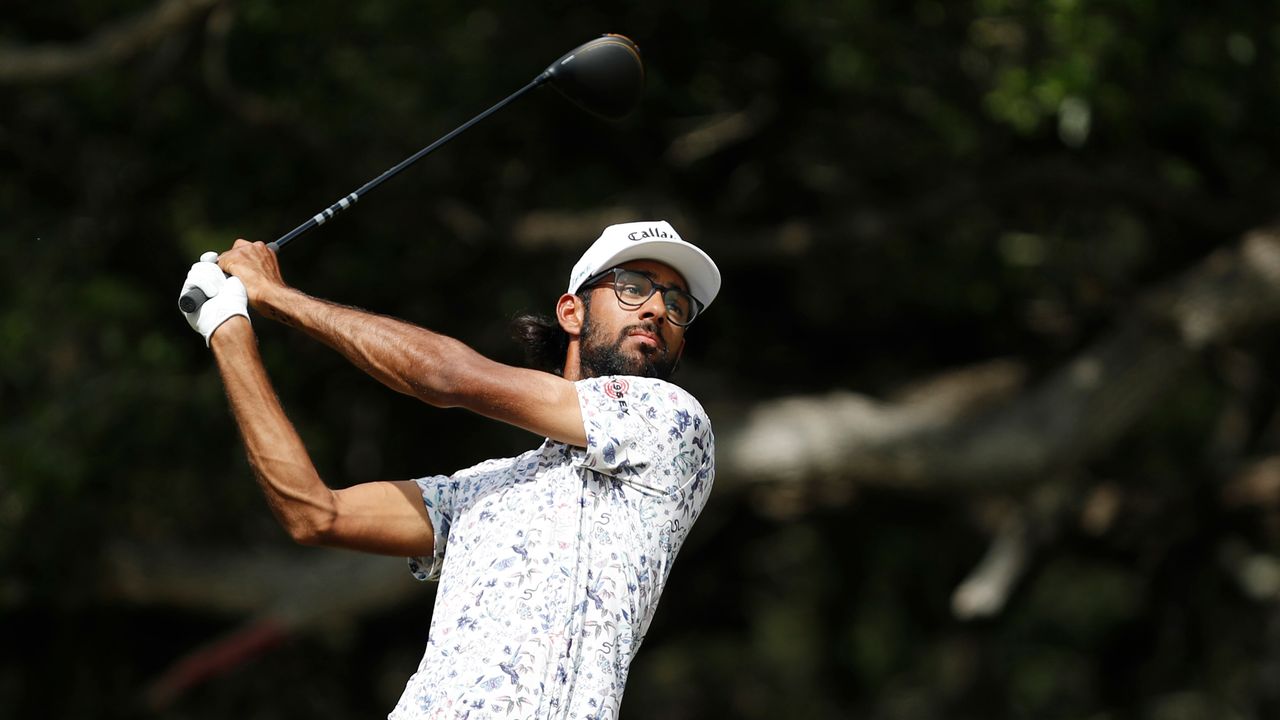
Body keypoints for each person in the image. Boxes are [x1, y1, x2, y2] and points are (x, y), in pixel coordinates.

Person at [178, 220, 720, 719]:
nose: (655, 309)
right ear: (571, 311)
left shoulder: (673, 423)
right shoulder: (481, 489)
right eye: (632, 286)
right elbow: (315, 513)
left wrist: (275, 295)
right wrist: (229, 329)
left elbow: (448, 377)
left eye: (677, 304)